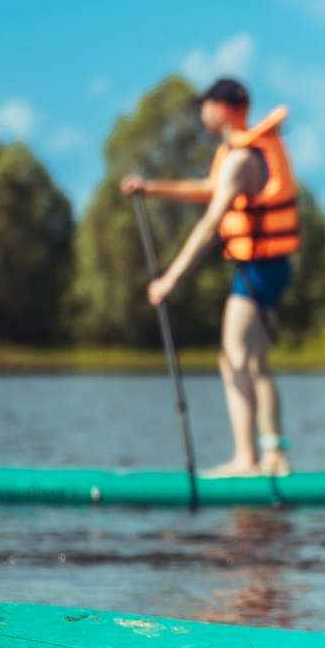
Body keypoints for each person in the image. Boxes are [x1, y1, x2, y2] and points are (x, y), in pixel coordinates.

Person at [121, 76, 298, 477]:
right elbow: (208, 189)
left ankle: (248, 459)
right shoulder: (237, 156)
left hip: (260, 268)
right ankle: (273, 457)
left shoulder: (241, 158)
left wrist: (170, 279)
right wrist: (151, 188)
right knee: (252, 361)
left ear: (223, 108)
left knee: (234, 357)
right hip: (266, 267)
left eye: (206, 105)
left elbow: (209, 223)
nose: (202, 112)